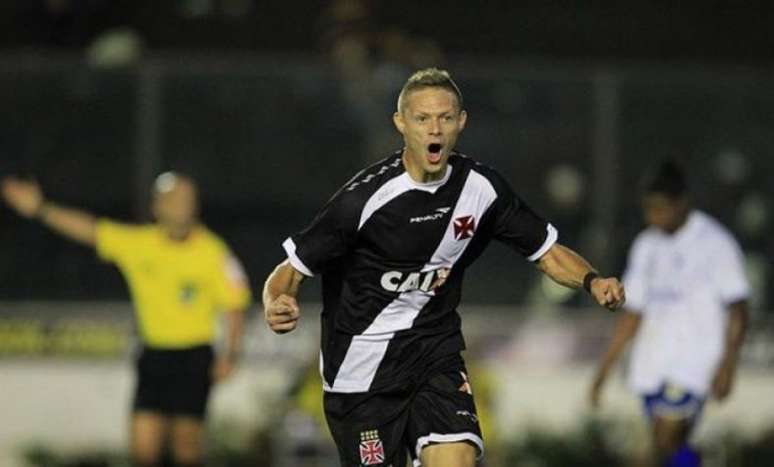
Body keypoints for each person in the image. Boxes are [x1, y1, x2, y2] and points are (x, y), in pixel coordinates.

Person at [262, 67, 625, 467]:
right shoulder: (362, 201)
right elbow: (289, 272)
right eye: (422, 118)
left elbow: (548, 252)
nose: (434, 129)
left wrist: (593, 281)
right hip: (360, 373)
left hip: (434, 355)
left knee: (457, 460)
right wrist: (277, 303)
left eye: (445, 118)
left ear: (461, 122)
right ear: (401, 123)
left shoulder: (482, 190)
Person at [1, 172, 251, 467]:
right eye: (173, 200)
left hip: (193, 357)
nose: (181, 206)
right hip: (153, 355)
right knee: (144, 450)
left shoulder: (214, 251)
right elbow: (91, 230)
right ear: (158, 206)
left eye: (187, 199)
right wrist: (41, 208)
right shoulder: (139, 244)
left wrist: (230, 354)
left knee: (187, 450)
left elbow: (234, 305)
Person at [589, 161, 749, 467]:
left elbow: (739, 308)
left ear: (681, 204)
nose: (653, 217)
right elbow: (632, 313)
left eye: (660, 209)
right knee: (672, 449)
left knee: (661, 442)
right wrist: (604, 370)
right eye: (648, 209)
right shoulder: (646, 245)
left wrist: (728, 364)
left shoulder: (715, 243)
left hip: (693, 364)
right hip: (652, 364)